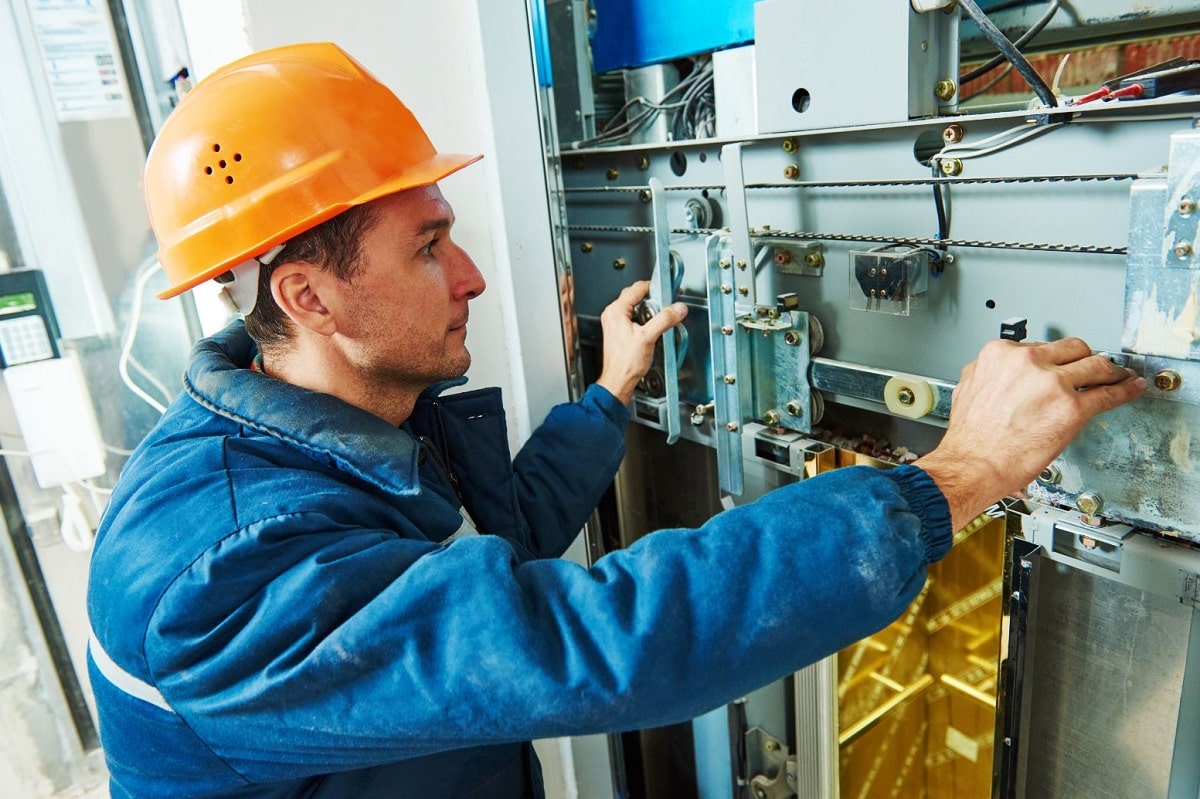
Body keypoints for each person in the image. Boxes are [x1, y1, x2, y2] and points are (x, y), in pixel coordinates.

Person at [86, 42, 1145, 799]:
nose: (473, 276)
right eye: (427, 245)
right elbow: (587, 641)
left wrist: (608, 395)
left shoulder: (331, 434)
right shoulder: (222, 572)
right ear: (311, 297)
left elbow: (485, 565)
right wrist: (959, 471)